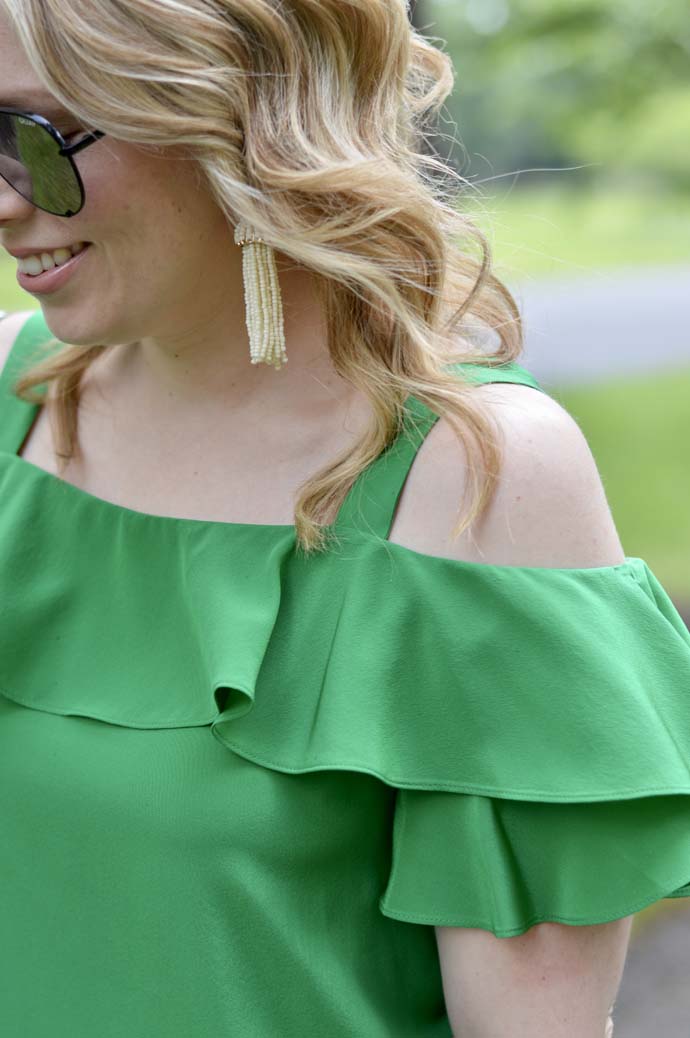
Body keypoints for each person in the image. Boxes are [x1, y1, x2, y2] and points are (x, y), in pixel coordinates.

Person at [1, 2, 689, 1036]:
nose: (6, 201)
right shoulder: (14, 403)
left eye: (32, 142)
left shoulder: (478, 483)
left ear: (247, 123)